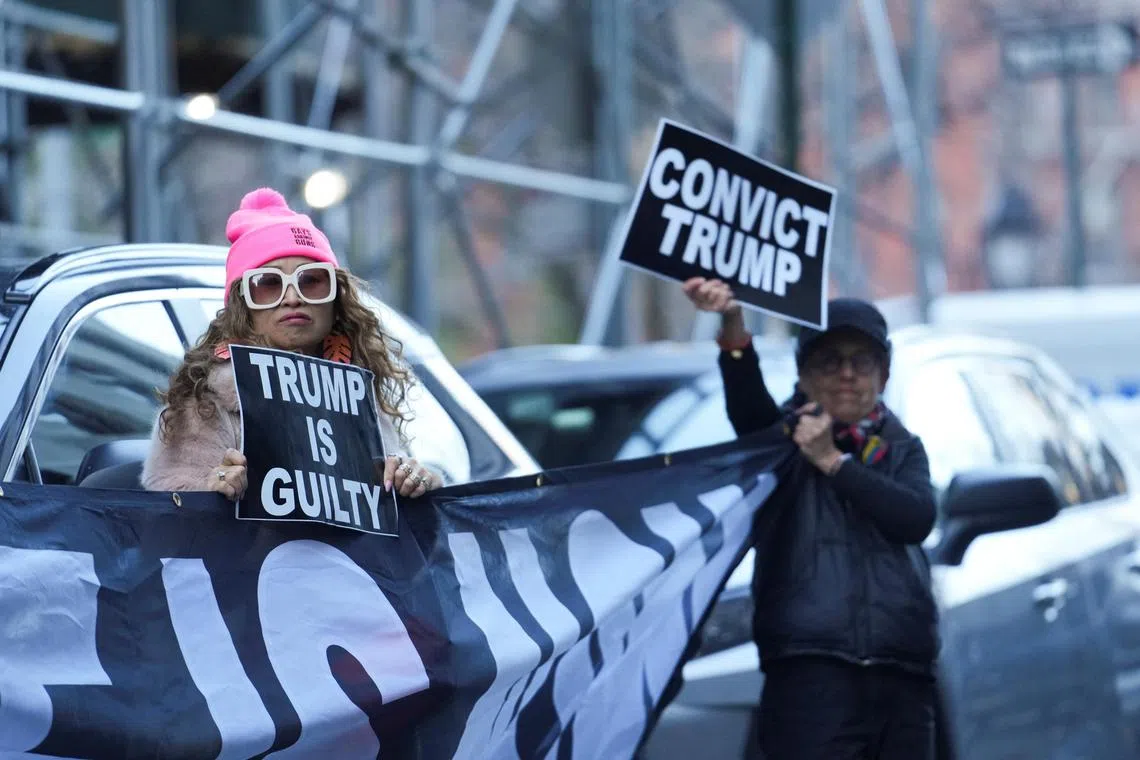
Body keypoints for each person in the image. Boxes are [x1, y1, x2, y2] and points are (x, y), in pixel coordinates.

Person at [683, 276, 939, 760]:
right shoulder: (778, 442)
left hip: (902, 675)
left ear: (882, 377)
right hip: (810, 675)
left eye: (861, 362)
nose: (846, 374)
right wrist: (733, 325)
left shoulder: (903, 448)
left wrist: (835, 463)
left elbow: (915, 517)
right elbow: (747, 404)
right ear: (803, 376)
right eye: (829, 361)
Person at [143, 187, 445, 501]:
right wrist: (212, 490)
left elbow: (403, 532)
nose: (292, 297)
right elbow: (169, 514)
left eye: (311, 280)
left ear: (336, 299)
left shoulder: (361, 393)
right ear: (243, 304)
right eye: (269, 284)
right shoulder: (205, 400)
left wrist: (417, 485)